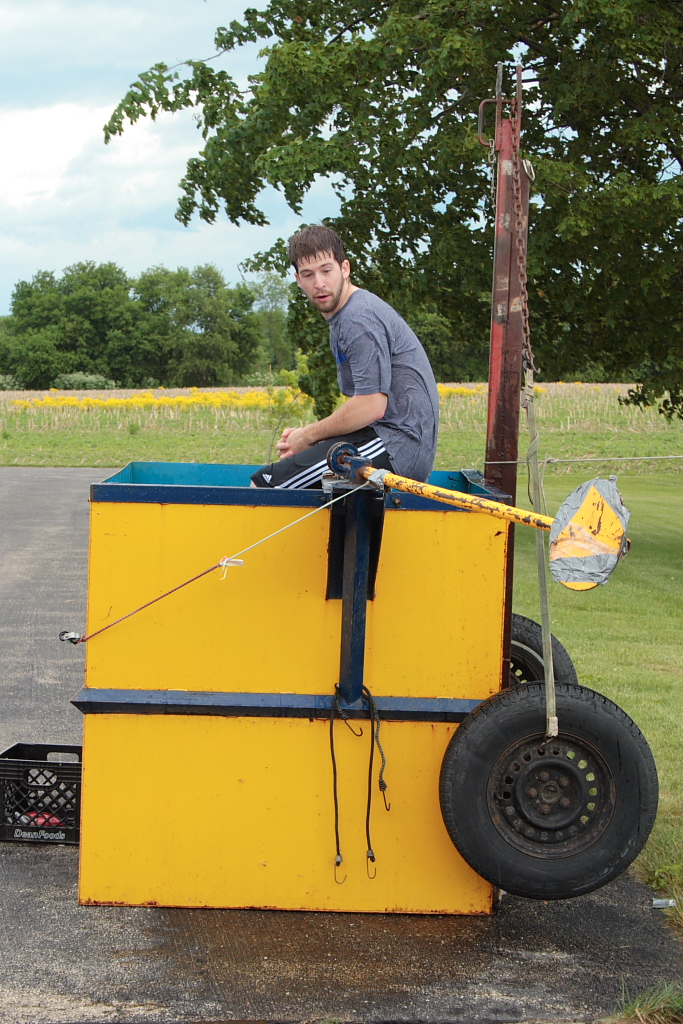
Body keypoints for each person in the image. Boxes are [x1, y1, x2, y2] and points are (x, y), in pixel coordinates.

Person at [250, 225, 439, 489]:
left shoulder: (357, 317)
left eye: (326, 270)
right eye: (308, 274)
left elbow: (371, 406)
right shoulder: (342, 318)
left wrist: (308, 435)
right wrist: (313, 440)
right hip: (383, 438)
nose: (319, 283)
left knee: (266, 486)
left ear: (345, 268)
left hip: (397, 444)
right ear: (298, 280)